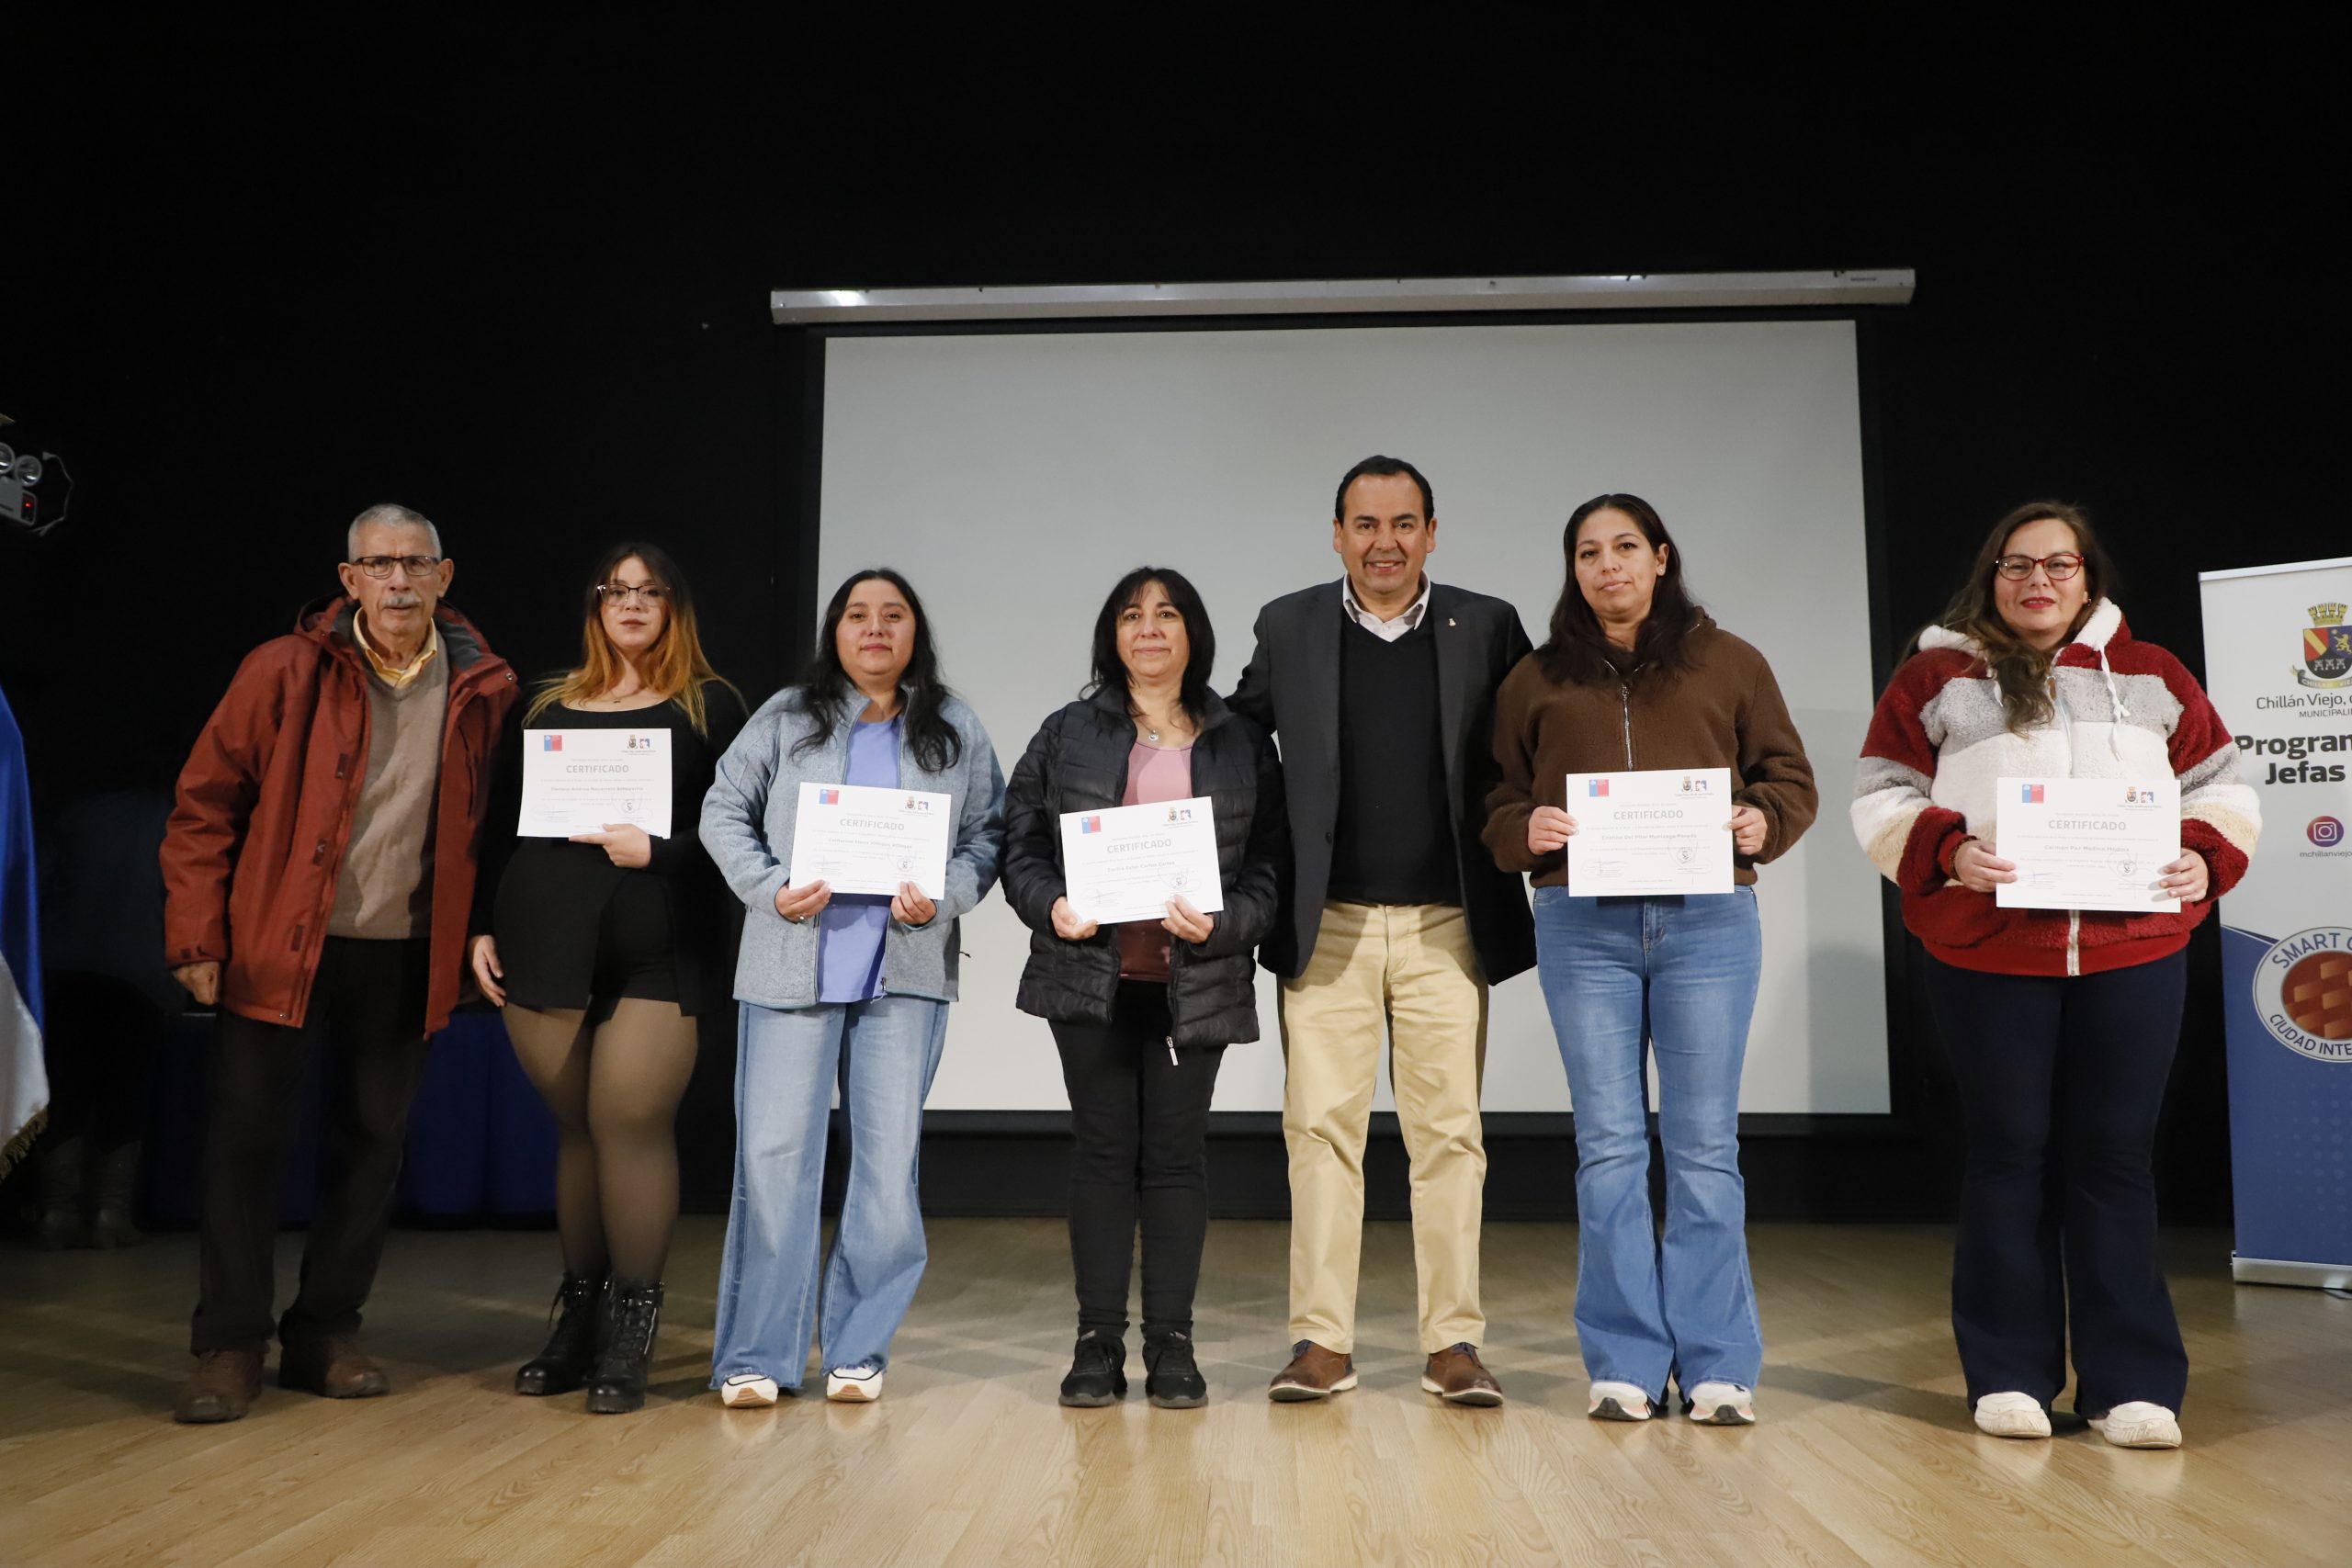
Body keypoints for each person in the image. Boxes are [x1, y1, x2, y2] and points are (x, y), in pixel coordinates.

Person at [1852, 502, 2257, 1450]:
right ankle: (2008, 1375)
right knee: (2008, 1155)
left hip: (2134, 951)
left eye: (2058, 565)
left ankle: (2130, 1385)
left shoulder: (2153, 675)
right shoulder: (1935, 677)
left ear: (2088, 578)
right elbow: (1880, 792)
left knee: (2115, 1160)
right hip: (1990, 954)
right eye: (2017, 564)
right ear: (1990, 577)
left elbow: (2222, 785)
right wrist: (1948, 850)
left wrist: (2204, 856)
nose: (2037, 580)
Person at [161, 502, 518, 1424]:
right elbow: (204, 805)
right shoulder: (284, 669)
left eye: (415, 563)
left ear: (444, 576)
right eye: (379, 564)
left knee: (372, 1147)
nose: (398, 580)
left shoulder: (486, 686)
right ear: (349, 579)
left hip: (406, 952)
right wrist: (197, 935)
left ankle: (324, 1331)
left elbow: (499, 829)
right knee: (245, 1144)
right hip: (279, 946)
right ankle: (230, 1343)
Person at [1483, 493, 1817, 1426]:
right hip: (1581, 926)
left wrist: (1760, 819)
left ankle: (1717, 1364)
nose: (1608, 566)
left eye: (1625, 547)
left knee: (1705, 1148)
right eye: (1588, 552)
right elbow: (1496, 795)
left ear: (1661, 557)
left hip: (1708, 922)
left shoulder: (1731, 661)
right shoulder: (1535, 677)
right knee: (1609, 1148)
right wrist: (1523, 827)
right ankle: (1625, 1360)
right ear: (1573, 569)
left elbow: (1789, 778)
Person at [1229, 455, 1535, 1406]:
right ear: (1337, 536)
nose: (1384, 543)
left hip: (1448, 922)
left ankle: (1454, 1344)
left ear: (1432, 534)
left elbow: (1537, 742)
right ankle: (1321, 1342)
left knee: (1449, 1137)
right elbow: (1235, 745)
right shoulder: (1288, 625)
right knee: (1320, 1134)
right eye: (1365, 524)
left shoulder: (1488, 625)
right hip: (1328, 926)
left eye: (1404, 524)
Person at [700, 569, 1004, 1407]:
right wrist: (769, 887)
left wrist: (944, 894)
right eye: (858, 614)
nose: (875, 628)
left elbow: (990, 834)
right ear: (835, 631)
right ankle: (756, 1354)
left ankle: (857, 1347)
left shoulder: (953, 728)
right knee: (772, 1164)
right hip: (789, 967)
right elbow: (722, 809)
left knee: (885, 1169)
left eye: (893, 614)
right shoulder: (786, 717)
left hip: (904, 975)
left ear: (915, 632)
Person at [468, 543, 747, 1414]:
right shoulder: (543, 701)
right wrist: (480, 922)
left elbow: (741, 830)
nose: (630, 603)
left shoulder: (710, 703)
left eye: (649, 591)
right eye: (615, 590)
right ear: (595, 604)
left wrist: (658, 852)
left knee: (628, 1120)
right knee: (578, 1130)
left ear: (674, 606)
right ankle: (577, 1320)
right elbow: (499, 821)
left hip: (661, 947)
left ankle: (633, 1324)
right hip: (541, 941)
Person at [1001, 568, 1287, 1409]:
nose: (1150, 628)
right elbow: (1020, 840)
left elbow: (1272, 865)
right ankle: (1097, 1343)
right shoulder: (1067, 731)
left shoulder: (1240, 741)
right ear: (1113, 636)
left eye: (1167, 614)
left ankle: (1172, 1344)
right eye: (1132, 615)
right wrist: (1052, 905)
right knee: (1101, 1155)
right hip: (1091, 977)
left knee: (1174, 1160)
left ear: (1193, 632)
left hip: (1193, 984)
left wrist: (1225, 923)